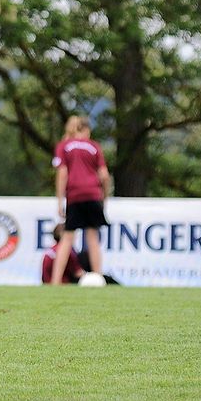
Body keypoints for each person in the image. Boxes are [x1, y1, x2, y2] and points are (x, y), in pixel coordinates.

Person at [50, 115, 111, 285]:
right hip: (93, 194)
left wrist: (60, 200)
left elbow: (62, 173)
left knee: (68, 237)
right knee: (92, 237)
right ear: (86, 130)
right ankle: (99, 278)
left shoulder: (64, 146)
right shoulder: (94, 147)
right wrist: (104, 197)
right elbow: (104, 176)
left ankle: (55, 282)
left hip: (75, 195)